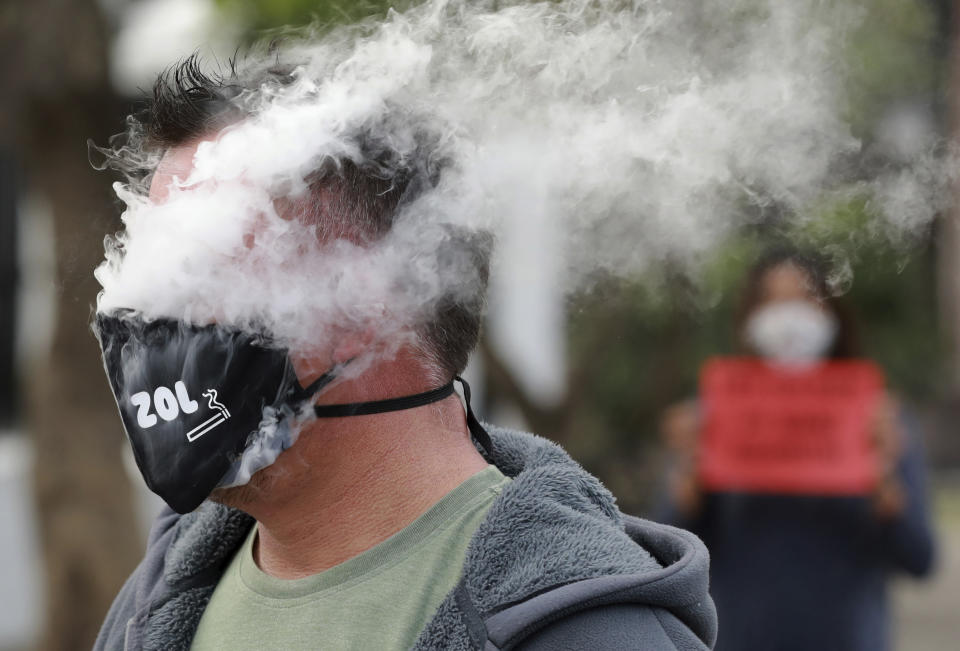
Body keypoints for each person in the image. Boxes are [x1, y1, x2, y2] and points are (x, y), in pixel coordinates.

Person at [92, 59, 717, 651]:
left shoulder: (584, 629)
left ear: (364, 302)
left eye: (197, 265)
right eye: (149, 265)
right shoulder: (155, 601)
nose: (149, 311)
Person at [660, 248, 936, 651]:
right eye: (771, 301)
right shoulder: (714, 421)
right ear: (749, 320)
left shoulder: (878, 422)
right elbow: (668, 553)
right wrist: (687, 483)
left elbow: (920, 559)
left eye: (804, 299)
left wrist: (886, 486)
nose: (788, 317)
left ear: (833, 316)